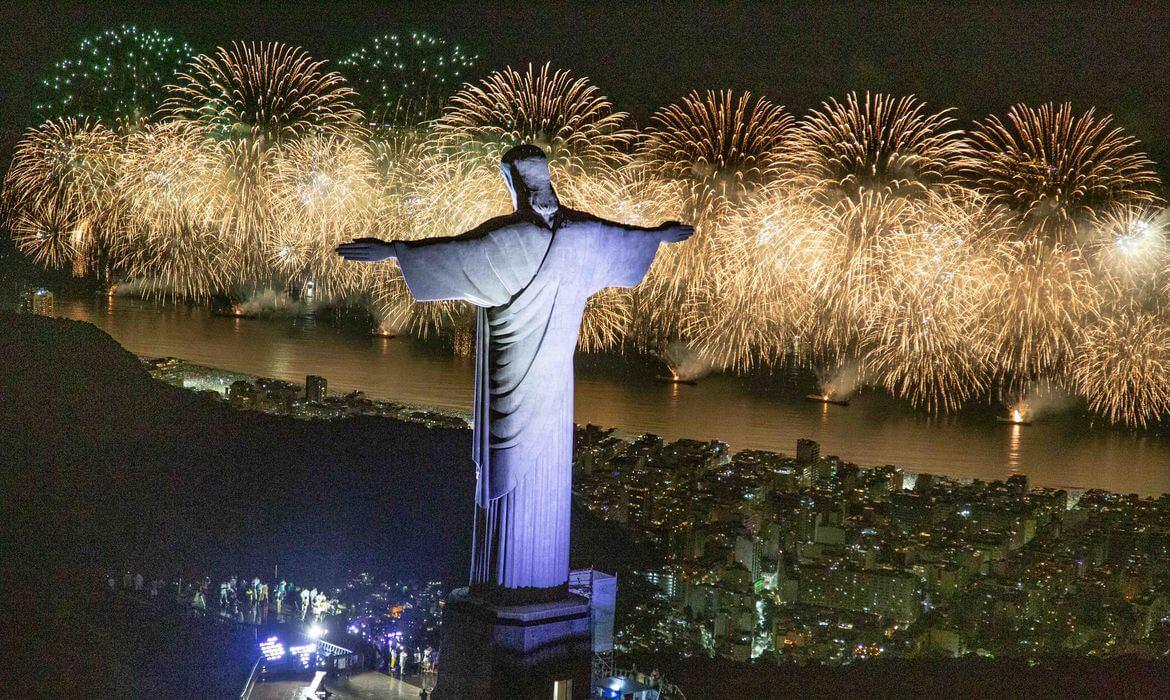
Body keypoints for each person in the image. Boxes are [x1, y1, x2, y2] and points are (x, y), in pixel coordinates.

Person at [336, 144, 692, 593]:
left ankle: (503, 585)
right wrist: (656, 236)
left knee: (506, 482)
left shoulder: (510, 241)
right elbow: (624, 239)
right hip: (557, 392)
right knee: (542, 479)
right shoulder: (582, 235)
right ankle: (536, 583)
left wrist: (392, 250)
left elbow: (452, 255)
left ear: (513, 186)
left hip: (510, 382)